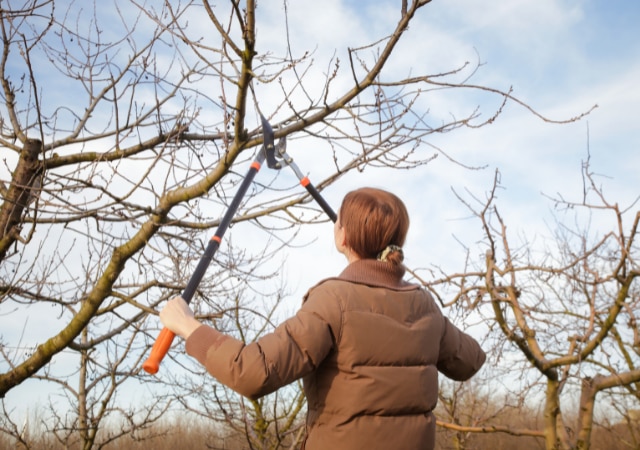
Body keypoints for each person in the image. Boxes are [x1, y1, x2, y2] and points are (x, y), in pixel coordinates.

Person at [160, 187, 486, 450]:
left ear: (342, 237)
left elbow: (253, 373)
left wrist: (189, 327)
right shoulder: (425, 305)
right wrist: (409, 292)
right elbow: (471, 360)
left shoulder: (334, 300)